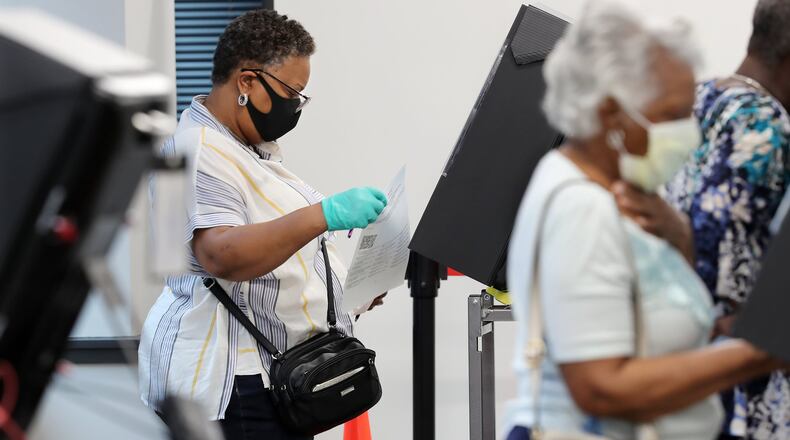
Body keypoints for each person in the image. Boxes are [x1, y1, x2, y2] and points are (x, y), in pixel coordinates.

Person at [503, 2, 783, 439]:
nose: (686, 135)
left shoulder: (619, 193)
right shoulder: (581, 208)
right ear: (613, 115)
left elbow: (644, 327)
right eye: (672, 117)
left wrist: (684, 248)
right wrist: (758, 352)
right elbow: (600, 388)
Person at [138, 9, 386, 440]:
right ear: (247, 82)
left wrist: (354, 292)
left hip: (259, 372)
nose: (297, 106)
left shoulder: (245, 151)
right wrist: (324, 214)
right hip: (230, 379)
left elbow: (276, 262)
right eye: (293, 91)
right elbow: (221, 254)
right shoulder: (197, 151)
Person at [660, 1, 790, 437]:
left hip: (678, 375)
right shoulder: (766, 128)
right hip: (739, 398)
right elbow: (729, 290)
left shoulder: (696, 97)